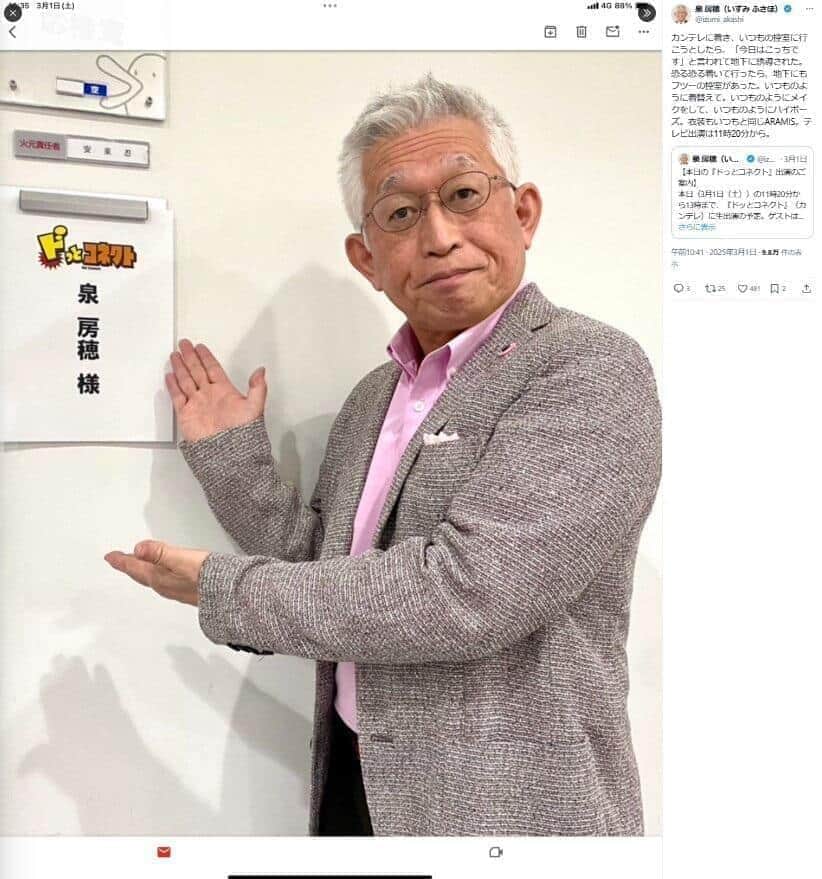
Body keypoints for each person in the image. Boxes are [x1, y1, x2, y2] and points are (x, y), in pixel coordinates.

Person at [104, 74, 662, 836]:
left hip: (507, 812)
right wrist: (230, 458)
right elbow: (325, 571)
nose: (439, 236)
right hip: (356, 785)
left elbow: (470, 593)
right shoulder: (374, 396)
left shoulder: (588, 367)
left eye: (463, 194)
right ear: (366, 257)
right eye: (401, 213)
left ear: (524, 212)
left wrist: (222, 589)